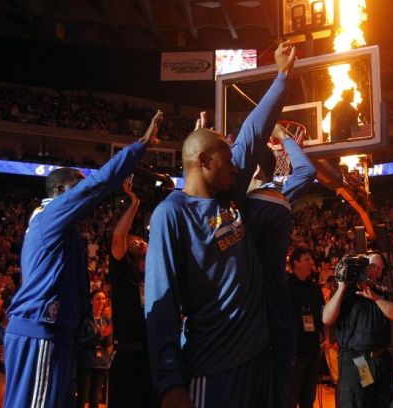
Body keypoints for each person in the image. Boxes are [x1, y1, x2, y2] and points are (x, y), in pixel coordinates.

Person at [144, 41, 296, 408]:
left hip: (259, 362)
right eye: (226, 160)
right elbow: (160, 304)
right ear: (202, 161)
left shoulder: (229, 193)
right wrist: (169, 383)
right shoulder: (171, 214)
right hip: (213, 371)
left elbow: (254, 131)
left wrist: (282, 78)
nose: (235, 165)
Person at [3, 111, 162, 407]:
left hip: (59, 337)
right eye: (77, 187)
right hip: (42, 332)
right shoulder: (49, 215)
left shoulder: (66, 228)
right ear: (60, 192)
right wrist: (139, 146)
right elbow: (96, 185)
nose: (83, 193)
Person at [245, 125, 316, 408]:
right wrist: (285, 138)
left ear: (252, 168)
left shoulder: (246, 196)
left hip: (251, 306)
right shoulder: (279, 193)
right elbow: (307, 172)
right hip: (273, 305)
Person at [322, 252, 393, 408]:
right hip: (358, 360)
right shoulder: (346, 292)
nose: (376, 271)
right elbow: (326, 318)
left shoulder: (383, 293)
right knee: (358, 402)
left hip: (380, 361)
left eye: (380, 268)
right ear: (363, 266)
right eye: (373, 266)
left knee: (380, 403)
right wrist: (342, 287)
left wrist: (375, 297)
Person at [107, 176, 160, 407]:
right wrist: (135, 203)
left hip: (151, 355)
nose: (141, 243)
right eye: (135, 242)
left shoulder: (154, 274)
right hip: (127, 355)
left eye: (142, 241)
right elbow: (119, 236)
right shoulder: (122, 269)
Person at [286, 247, 324, 408]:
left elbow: (322, 315)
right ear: (296, 263)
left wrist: (326, 338)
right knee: (290, 398)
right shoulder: (285, 287)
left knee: (308, 399)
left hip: (313, 350)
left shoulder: (315, 289)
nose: (311, 262)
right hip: (294, 353)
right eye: (307, 259)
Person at [76, 289, 113, 408]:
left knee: (95, 398)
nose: (101, 301)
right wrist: (98, 336)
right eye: (98, 298)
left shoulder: (106, 320)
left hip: (101, 363)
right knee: (82, 397)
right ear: (91, 301)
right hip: (86, 363)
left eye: (103, 299)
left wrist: (106, 336)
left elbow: (108, 343)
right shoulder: (85, 320)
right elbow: (79, 342)